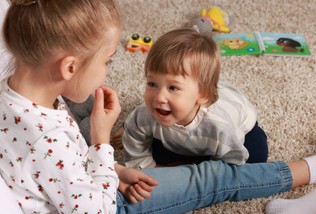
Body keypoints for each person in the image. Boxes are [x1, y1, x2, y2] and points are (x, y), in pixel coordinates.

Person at [0, 0, 316, 214]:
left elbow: (62, 172)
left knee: (213, 175)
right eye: (107, 61)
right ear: (69, 66)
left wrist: (118, 171)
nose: (107, 71)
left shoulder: (18, 93)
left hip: (97, 193)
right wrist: (102, 144)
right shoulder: (44, 141)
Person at [113, 28, 268, 169]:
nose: (159, 97)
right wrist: (147, 170)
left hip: (239, 126)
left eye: (173, 88)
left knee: (255, 157)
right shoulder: (145, 114)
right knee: (148, 145)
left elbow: (232, 161)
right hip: (183, 135)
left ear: (203, 95)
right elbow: (136, 153)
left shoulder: (221, 126)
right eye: (152, 84)